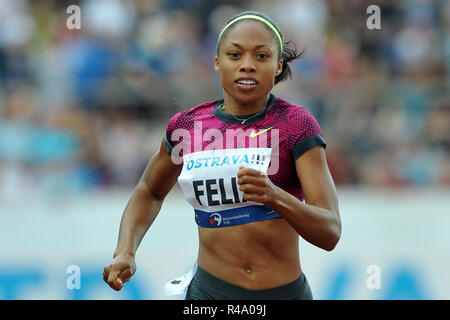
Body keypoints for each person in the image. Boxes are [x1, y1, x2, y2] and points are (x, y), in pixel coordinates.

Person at [103, 11, 341, 300]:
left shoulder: (296, 124)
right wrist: (125, 250)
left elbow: (330, 232)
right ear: (218, 62)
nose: (247, 66)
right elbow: (150, 190)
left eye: (262, 57)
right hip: (210, 295)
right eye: (235, 54)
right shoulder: (188, 127)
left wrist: (275, 196)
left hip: (284, 294)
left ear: (278, 66)